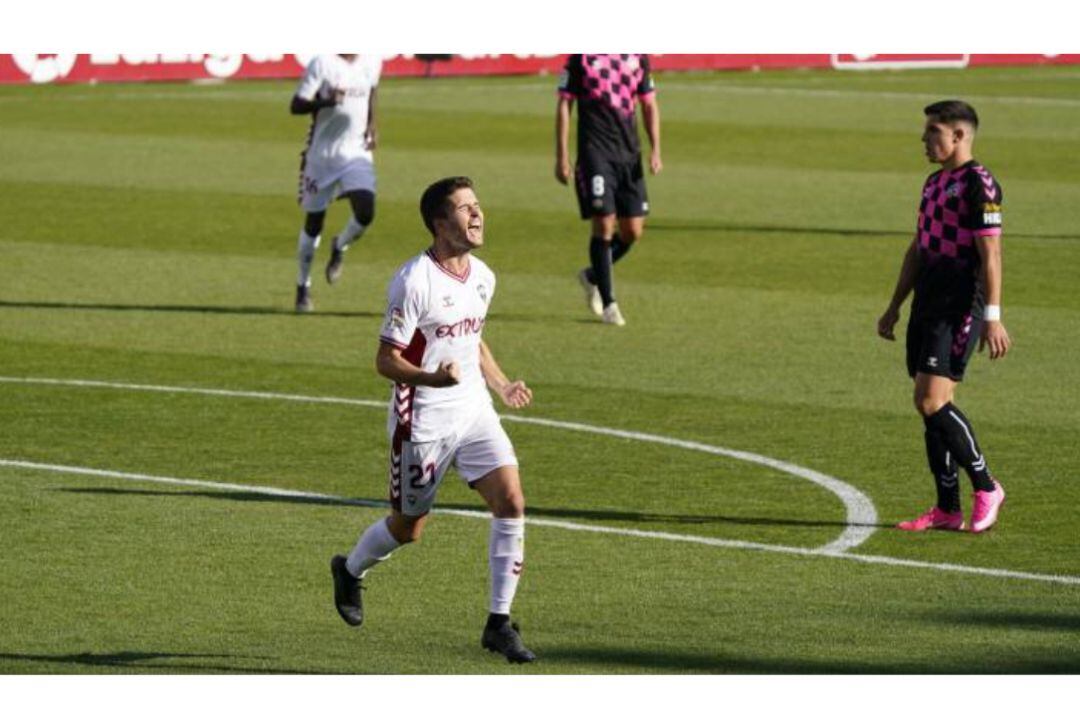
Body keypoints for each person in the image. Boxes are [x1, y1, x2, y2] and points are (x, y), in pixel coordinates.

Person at [330, 176, 537, 664]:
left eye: (478, 205)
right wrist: (432, 380)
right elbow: (385, 360)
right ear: (440, 223)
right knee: (408, 528)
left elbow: (473, 338)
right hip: (421, 420)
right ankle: (351, 569)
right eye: (465, 209)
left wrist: (501, 384)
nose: (477, 215)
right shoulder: (413, 281)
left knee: (511, 500)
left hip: (473, 412)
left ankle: (498, 623)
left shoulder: (484, 276)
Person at [878, 100, 1011, 534]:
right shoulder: (934, 183)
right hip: (926, 303)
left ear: (958, 136)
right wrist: (895, 304)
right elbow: (918, 247)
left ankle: (987, 486)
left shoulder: (980, 184)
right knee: (932, 405)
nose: (923, 140)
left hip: (958, 305)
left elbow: (990, 253)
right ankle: (947, 508)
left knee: (930, 400)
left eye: (932, 132)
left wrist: (992, 316)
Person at [555, 54, 662, 326]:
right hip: (595, 154)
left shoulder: (638, 56)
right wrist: (561, 155)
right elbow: (565, 104)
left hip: (629, 154)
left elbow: (649, 104)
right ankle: (609, 304)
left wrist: (655, 149)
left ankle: (592, 276)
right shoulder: (581, 57)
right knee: (603, 225)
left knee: (632, 231)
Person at [291, 54, 381, 313]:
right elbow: (296, 105)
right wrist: (328, 100)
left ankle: (339, 245)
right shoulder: (322, 63)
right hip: (322, 157)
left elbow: (372, 90)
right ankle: (303, 285)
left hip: (357, 152)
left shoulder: (371, 59)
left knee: (365, 211)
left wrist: (372, 123)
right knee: (313, 223)